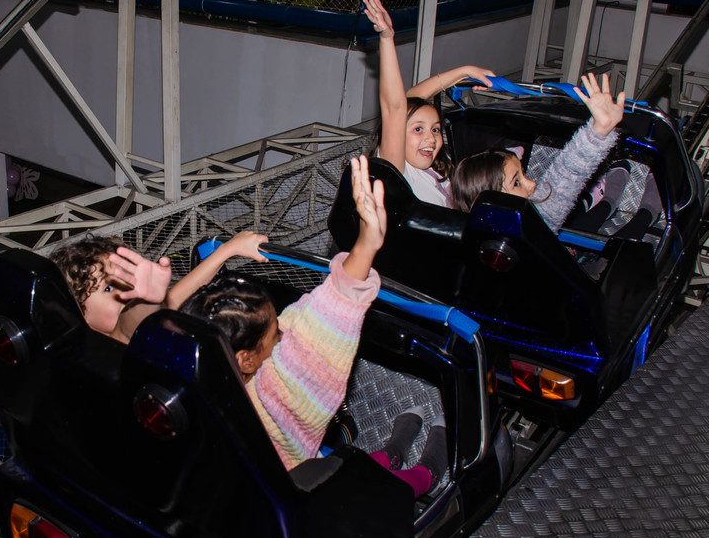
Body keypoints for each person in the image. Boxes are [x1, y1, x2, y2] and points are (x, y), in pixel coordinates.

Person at [180, 156, 440, 497]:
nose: (285, 330)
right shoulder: (273, 395)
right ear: (246, 360)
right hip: (298, 492)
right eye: (276, 334)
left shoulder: (186, 381)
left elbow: (171, 307)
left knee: (355, 465)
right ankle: (429, 471)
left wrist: (225, 252)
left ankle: (392, 452)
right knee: (385, 492)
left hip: (253, 491)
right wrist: (366, 245)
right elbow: (329, 317)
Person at [449, 72, 625, 233]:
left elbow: (563, 180)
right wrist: (598, 131)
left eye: (523, 174)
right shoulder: (534, 226)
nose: (532, 184)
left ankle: (589, 202)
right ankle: (607, 203)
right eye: (516, 183)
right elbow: (567, 174)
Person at [362, 0, 494, 207]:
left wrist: (465, 72)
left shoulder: (437, 169)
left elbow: (412, 100)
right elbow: (395, 107)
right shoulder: (399, 172)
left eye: (435, 129)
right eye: (418, 129)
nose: (431, 138)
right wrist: (386, 39)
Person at [49, 231, 269, 344]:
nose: (126, 289)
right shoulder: (104, 347)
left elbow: (176, 297)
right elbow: (129, 328)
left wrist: (227, 250)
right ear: (78, 313)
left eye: (126, 276)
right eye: (108, 288)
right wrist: (148, 300)